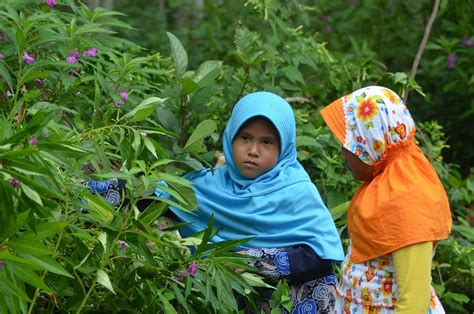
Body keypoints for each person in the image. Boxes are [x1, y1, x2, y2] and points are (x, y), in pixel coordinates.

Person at [162, 91, 345, 312]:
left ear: (283, 147)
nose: (253, 151)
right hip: (210, 297)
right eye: (245, 138)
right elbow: (154, 196)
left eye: (266, 142)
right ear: (231, 138)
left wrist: (252, 259)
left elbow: (319, 258)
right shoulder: (209, 183)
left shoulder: (296, 191)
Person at [319, 86, 452, 313]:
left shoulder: (407, 199)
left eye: (349, 145)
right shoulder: (383, 188)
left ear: (372, 141)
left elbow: (413, 304)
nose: (343, 155)